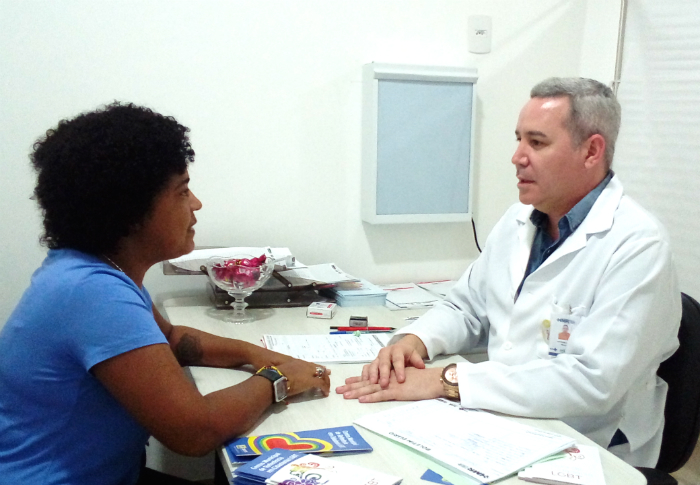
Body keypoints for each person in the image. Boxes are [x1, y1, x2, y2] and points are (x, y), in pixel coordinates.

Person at [336, 77, 681, 467]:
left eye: (537, 142)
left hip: (588, 441)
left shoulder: (638, 245)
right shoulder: (520, 219)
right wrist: (415, 341)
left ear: (592, 151)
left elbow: (592, 382)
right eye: (518, 139)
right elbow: (467, 306)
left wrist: (445, 381)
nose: (517, 156)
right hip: (501, 421)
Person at [0, 102, 331, 485]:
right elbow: (194, 433)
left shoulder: (93, 270)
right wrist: (278, 380)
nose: (196, 204)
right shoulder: (92, 293)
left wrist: (255, 355)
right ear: (130, 210)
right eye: (182, 191)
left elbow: (172, 339)